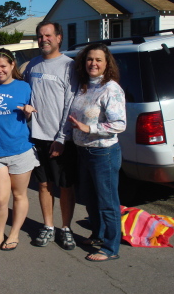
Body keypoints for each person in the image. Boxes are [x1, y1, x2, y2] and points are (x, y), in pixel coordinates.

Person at [23, 21, 78, 250]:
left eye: (48, 35)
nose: (43, 39)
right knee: (44, 185)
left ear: (58, 38)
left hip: (60, 139)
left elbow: (70, 104)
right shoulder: (32, 66)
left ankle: (65, 228)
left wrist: (62, 138)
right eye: (40, 36)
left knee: (65, 186)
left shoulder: (69, 66)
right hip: (36, 137)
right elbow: (24, 95)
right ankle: (48, 226)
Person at [68, 43, 126, 262]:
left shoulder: (111, 89)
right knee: (91, 199)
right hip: (83, 151)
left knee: (107, 201)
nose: (93, 63)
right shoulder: (84, 86)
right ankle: (98, 236)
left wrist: (89, 128)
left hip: (104, 153)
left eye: (98, 60)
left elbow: (119, 124)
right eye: (90, 59)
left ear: (106, 63)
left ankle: (111, 248)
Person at [0, 48, 39, 251]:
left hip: (21, 150)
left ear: (12, 65)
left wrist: (30, 114)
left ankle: (13, 234)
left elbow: (35, 117)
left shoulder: (24, 87)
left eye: (3, 66)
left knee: (19, 195)